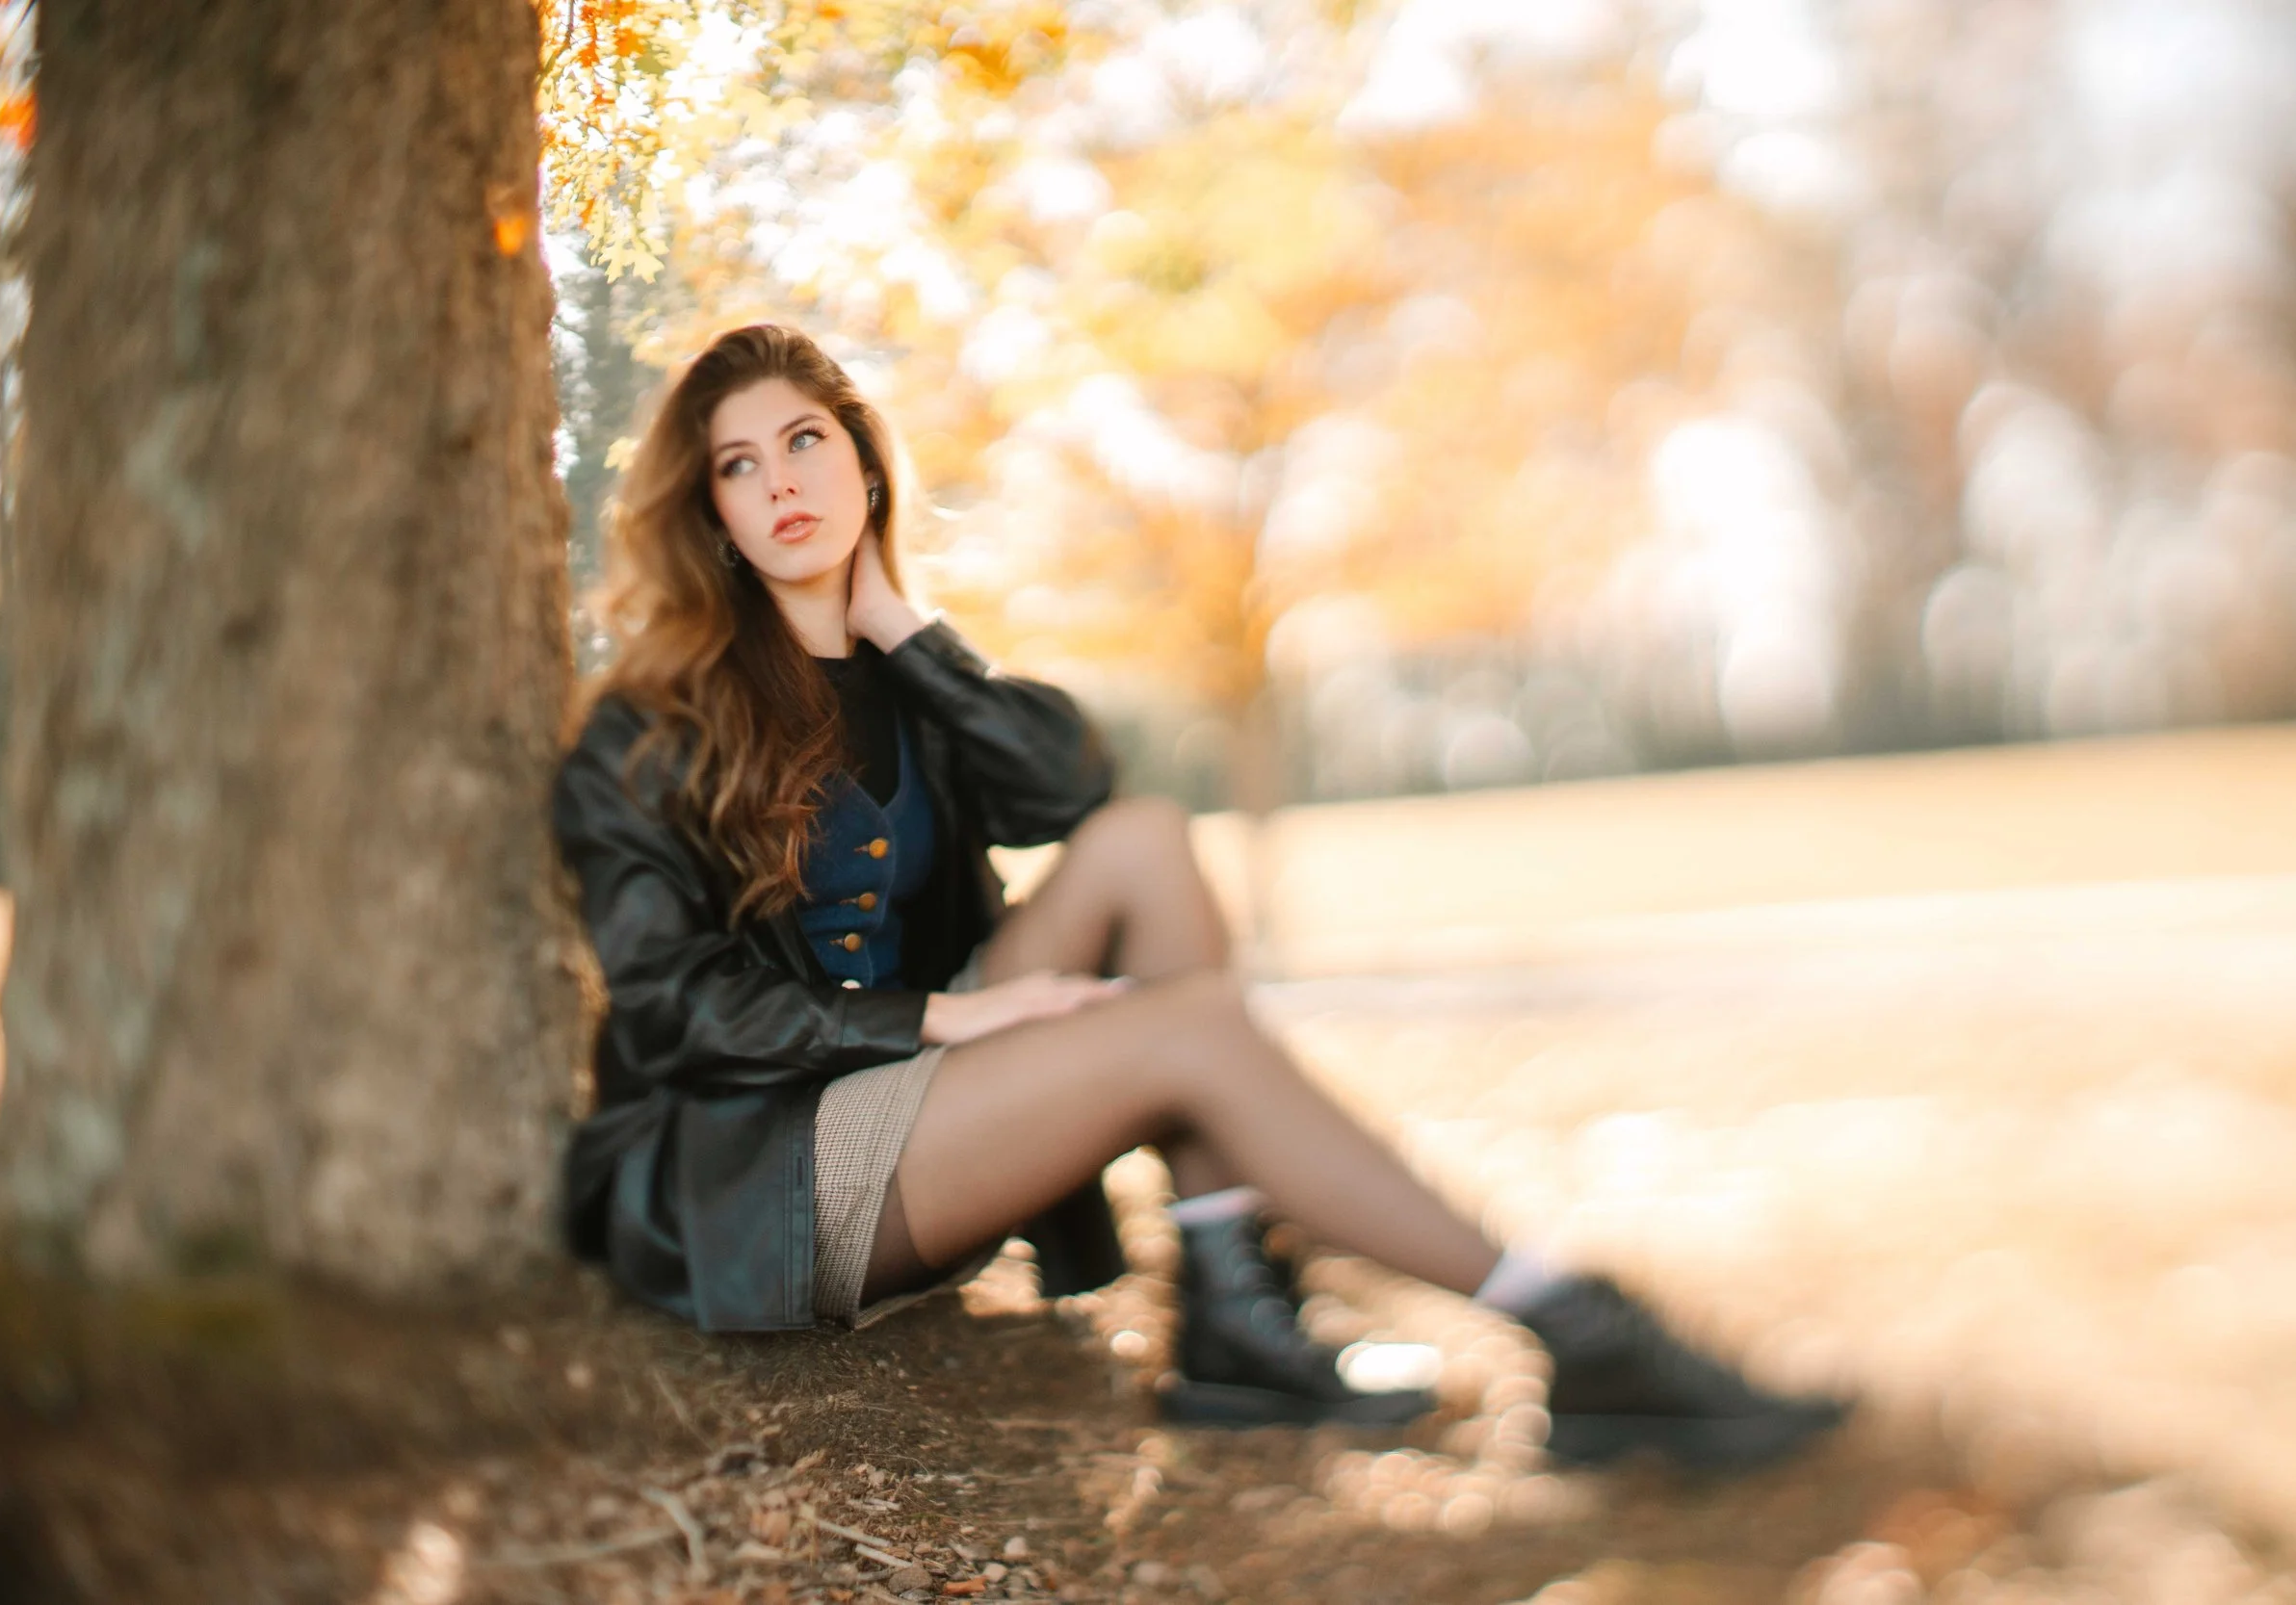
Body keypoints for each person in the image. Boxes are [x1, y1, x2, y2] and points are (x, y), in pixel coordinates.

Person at [553, 324, 1843, 1469]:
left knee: (1149, 838)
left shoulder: (913, 688)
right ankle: (1574, 1320)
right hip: (758, 1171)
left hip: (920, 1109)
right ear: (710, 510)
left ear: (867, 466)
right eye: (739, 464)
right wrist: (947, 1022)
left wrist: (900, 626)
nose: (782, 483)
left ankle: (1233, 1311)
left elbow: (1069, 786)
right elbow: (673, 1011)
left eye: (807, 442)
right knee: (1185, 1027)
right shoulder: (647, 732)